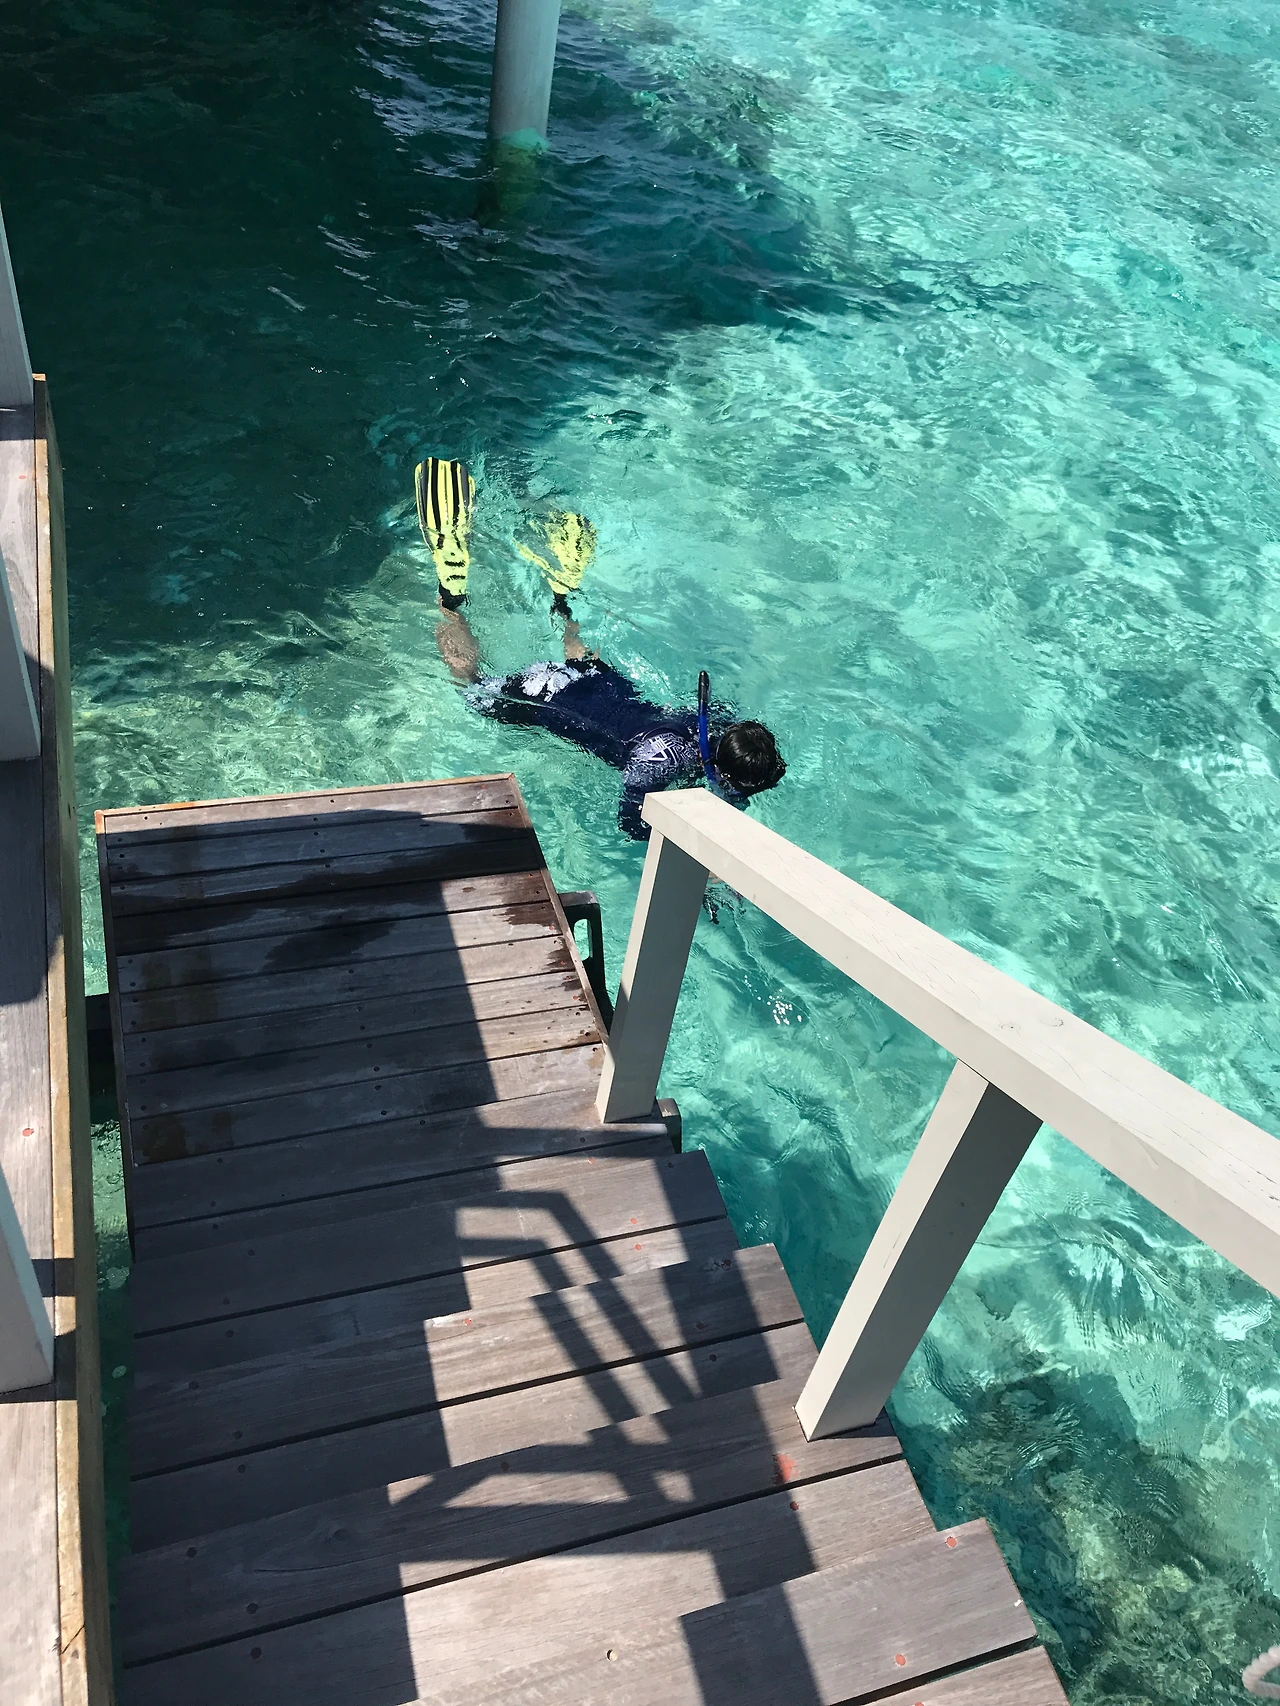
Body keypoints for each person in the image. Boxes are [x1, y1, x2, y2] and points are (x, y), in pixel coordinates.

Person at [416, 456, 787, 839]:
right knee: (473, 688)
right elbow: (632, 824)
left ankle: (561, 601)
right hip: (546, 694)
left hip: (600, 685)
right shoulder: (658, 763)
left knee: (583, 666)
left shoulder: (719, 724)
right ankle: (450, 601)